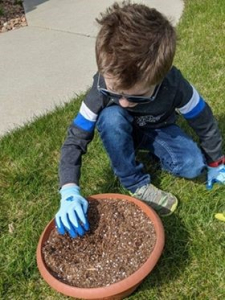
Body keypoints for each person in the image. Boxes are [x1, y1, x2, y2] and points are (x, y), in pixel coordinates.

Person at [55, 1, 225, 238]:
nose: (123, 101)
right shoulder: (101, 87)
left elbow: (203, 119)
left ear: (161, 78)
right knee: (112, 116)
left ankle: (150, 151)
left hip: (159, 128)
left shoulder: (175, 86)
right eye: (117, 92)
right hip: (118, 126)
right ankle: (136, 183)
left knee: (194, 166)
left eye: (136, 96)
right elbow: (75, 138)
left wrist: (216, 161)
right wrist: (69, 189)